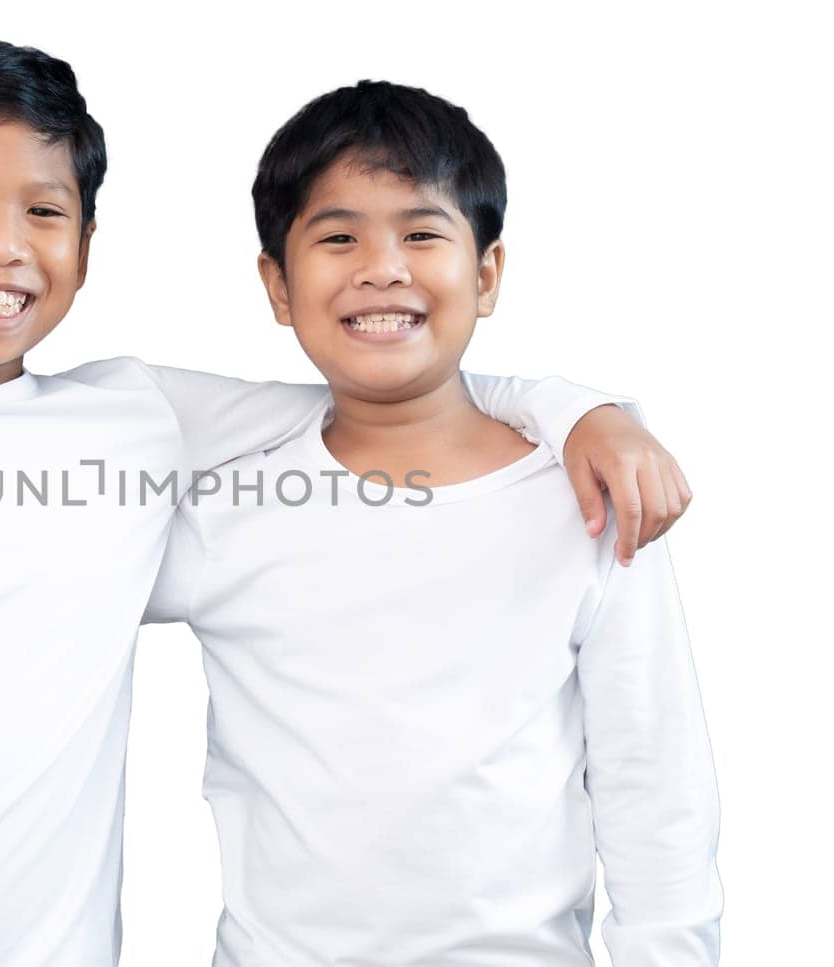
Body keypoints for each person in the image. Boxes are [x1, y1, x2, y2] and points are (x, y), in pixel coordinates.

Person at [0, 37, 688, 967]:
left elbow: (388, 394)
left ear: (86, 247)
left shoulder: (132, 423)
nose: (3, 244)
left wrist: (584, 411)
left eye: (44, 212)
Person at [138, 80, 722, 965]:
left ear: (485, 274)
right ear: (278, 284)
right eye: (337, 237)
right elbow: (22, 544)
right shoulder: (231, 504)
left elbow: (656, 788)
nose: (382, 266)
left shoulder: (589, 497)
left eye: (421, 233)